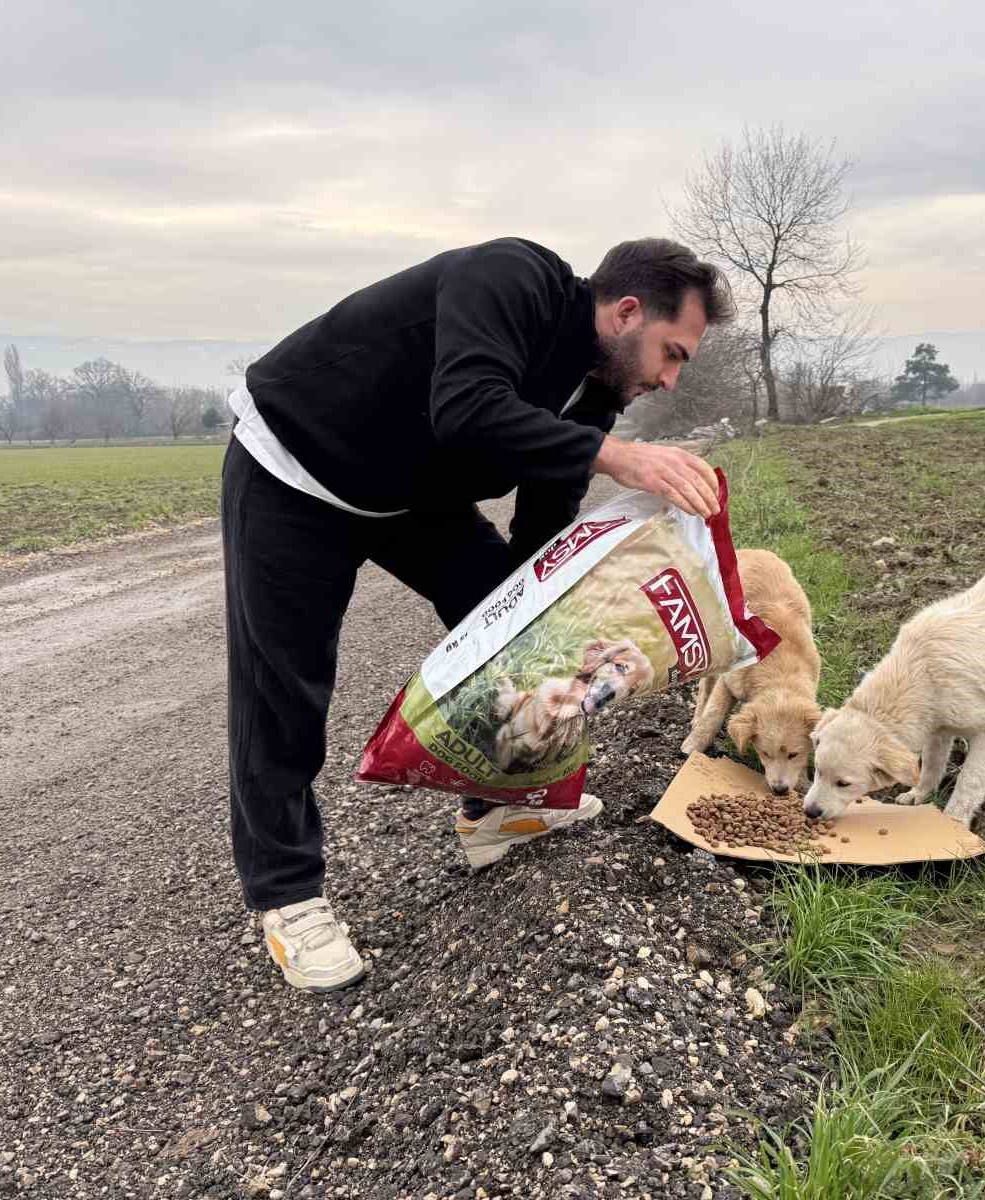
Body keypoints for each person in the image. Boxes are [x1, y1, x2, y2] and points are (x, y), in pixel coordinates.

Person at [223, 236, 733, 991]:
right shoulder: (510, 278)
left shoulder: (596, 385)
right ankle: (288, 895)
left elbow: (543, 518)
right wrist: (620, 459)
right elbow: (466, 407)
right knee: (286, 686)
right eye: (673, 352)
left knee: (523, 633)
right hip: (297, 469)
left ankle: (496, 811)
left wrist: (547, 603)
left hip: (409, 497)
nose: (668, 377)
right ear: (627, 312)